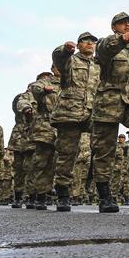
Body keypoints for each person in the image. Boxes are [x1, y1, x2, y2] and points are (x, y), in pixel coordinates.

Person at [93, 11, 129, 213]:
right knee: (104, 150)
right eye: (122, 23)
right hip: (109, 101)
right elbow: (104, 49)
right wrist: (120, 41)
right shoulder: (106, 44)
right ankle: (105, 196)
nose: (128, 25)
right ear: (113, 27)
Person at [51, 33, 100, 212]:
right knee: (67, 154)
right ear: (79, 45)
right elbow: (58, 57)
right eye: (85, 41)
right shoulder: (70, 60)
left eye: (93, 41)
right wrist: (65, 50)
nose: (90, 44)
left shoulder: (100, 64)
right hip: (70, 112)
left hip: (93, 113)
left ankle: (103, 193)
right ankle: (63, 193)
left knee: (103, 151)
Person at [28, 69, 60, 210]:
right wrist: (44, 89)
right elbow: (35, 87)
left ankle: (57, 194)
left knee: (58, 163)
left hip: (63, 127)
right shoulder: (46, 81)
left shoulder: (71, 80)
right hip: (46, 126)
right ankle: (39, 196)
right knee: (42, 162)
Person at [8, 85, 37, 208]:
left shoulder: (42, 98)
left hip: (34, 134)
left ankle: (32, 196)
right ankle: (18, 196)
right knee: (19, 168)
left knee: (32, 167)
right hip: (19, 137)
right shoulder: (21, 98)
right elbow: (17, 104)